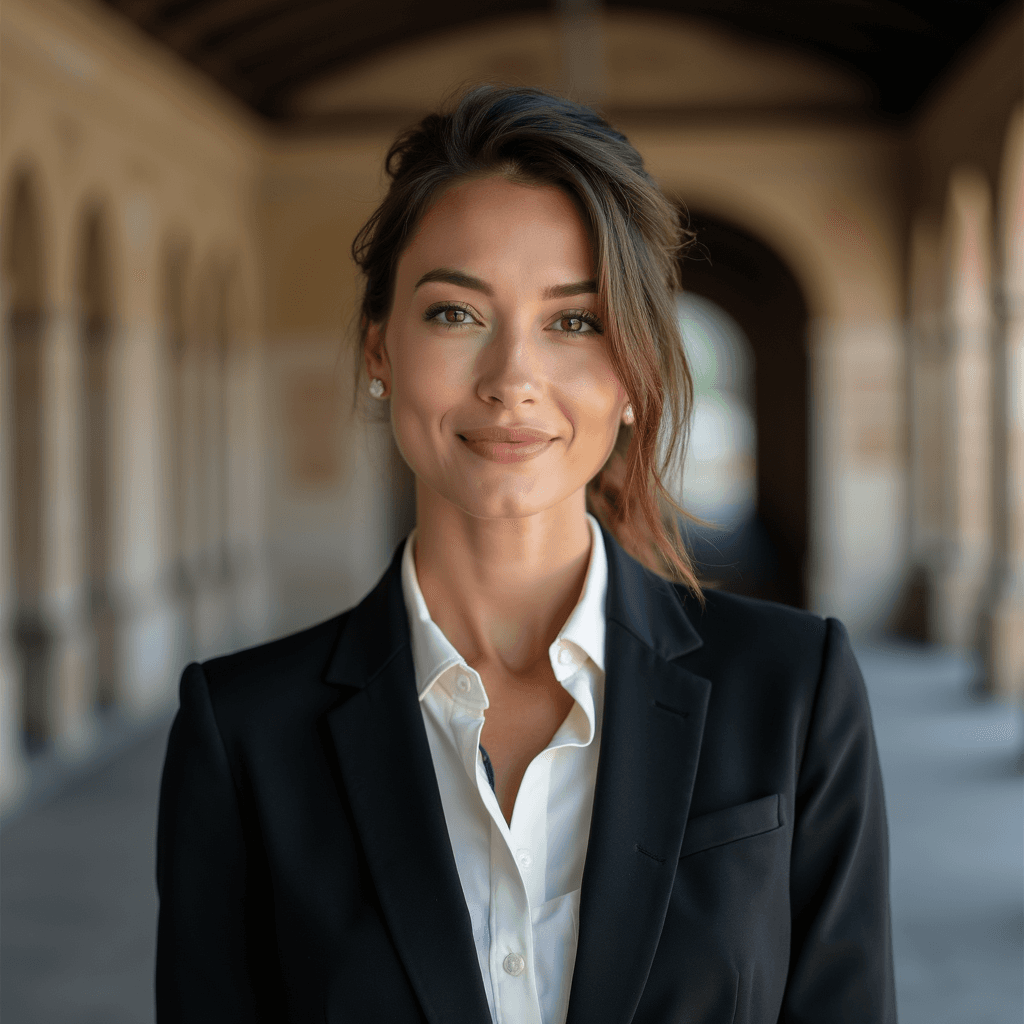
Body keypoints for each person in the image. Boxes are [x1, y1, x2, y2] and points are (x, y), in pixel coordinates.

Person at [155, 86, 896, 1024]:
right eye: (456, 315)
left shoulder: (795, 691)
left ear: (637, 372)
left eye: (574, 321)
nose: (513, 379)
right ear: (380, 350)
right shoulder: (243, 733)